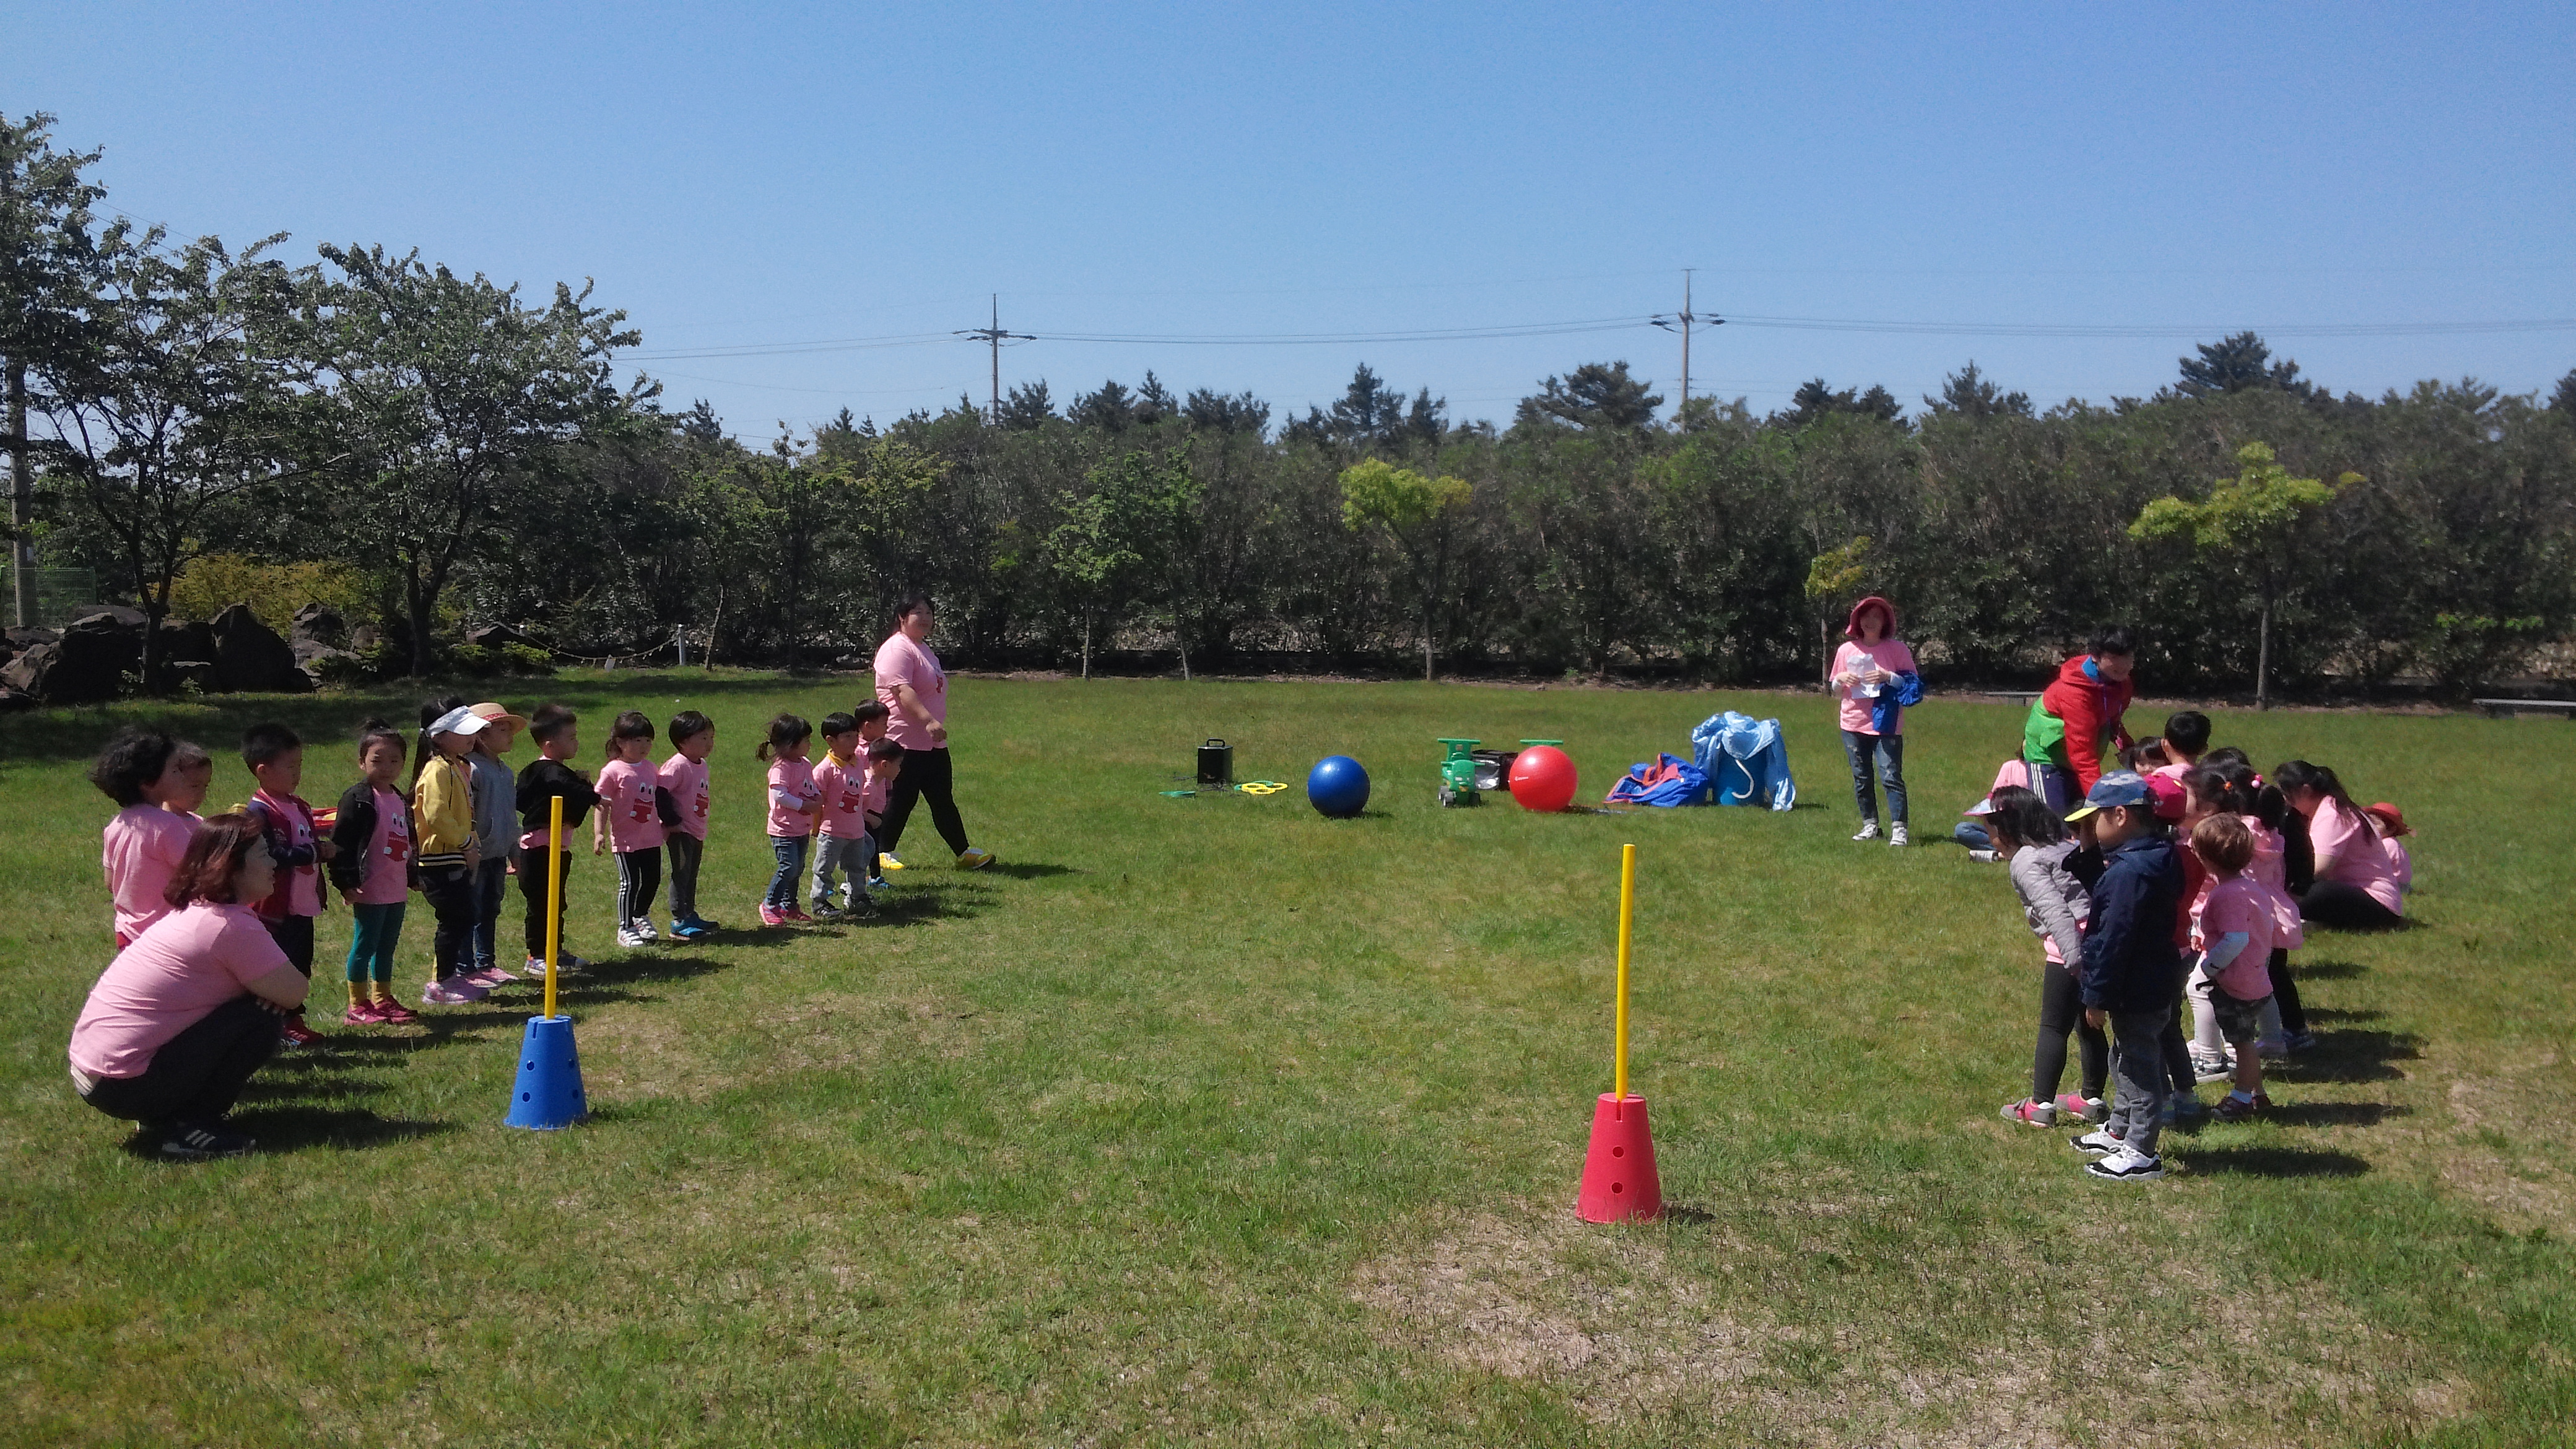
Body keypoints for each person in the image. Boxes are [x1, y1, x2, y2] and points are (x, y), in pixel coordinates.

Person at [67, 813, 310, 1159]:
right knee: (260, 1017)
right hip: (122, 1083)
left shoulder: (198, 911)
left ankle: (165, 1116)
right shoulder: (228, 925)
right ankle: (193, 1126)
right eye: (263, 854)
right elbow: (295, 992)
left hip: (97, 1075)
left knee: (252, 1007)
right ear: (233, 867)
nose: (273, 862)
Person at [2064, 772, 2185, 1182]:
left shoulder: (2129, 873)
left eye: (2095, 817)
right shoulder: (2154, 856)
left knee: (2139, 1066)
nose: (2090, 826)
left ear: (2119, 816)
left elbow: (2112, 939)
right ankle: (2121, 1131)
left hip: (2138, 983)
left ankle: (2142, 1151)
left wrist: (2095, 995)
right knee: (2125, 1056)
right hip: (2152, 978)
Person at [1983, 787, 2109, 1128]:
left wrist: (2074, 962)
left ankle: (2040, 1107)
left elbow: (2056, 912)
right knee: (2089, 1024)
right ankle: (2092, 1099)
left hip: (2070, 951)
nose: (1991, 840)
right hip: (2096, 940)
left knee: (2053, 1027)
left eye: (1991, 833)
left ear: (2007, 830)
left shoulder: (2026, 860)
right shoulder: (2061, 845)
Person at [872, 594, 996, 871]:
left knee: (942, 797)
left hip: (932, 742)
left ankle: (965, 854)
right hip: (903, 739)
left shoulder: (923, 649)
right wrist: (928, 720)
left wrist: (932, 727)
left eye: (929, 612)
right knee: (901, 797)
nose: (925, 618)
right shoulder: (896, 649)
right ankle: (881, 852)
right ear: (902, 618)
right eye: (918, 612)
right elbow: (902, 690)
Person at [240, 722, 334, 1046]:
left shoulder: (299, 805)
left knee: (299, 965)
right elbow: (272, 854)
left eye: (300, 766)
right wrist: (313, 852)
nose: (297, 773)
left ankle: (293, 1019)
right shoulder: (259, 812)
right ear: (263, 771)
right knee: (277, 967)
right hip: (275, 908)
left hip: (301, 905)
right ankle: (273, 1027)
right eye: (290, 766)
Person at [2186, 813, 2276, 1123]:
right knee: (2244, 1038)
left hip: (2237, 982)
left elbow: (2236, 939)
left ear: (2206, 857)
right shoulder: (2250, 888)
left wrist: (2209, 969)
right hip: (2256, 974)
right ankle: (2257, 1093)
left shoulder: (2226, 895)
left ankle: (2240, 1098)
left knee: (2242, 1042)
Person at [328, 721, 419, 1025]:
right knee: (365, 944)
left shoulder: (400, 800)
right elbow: (342, 843)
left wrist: (415, 875)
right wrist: (346, 883)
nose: (386, 767)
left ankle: (383, 997)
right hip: (370, 888)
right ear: (362, 762)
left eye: (394, 760)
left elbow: (410, 840)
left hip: (396, 888)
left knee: (387, 946)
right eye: (377, 760)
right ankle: (358, 1004)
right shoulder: (358, 799)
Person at [93, 728, 211, 949]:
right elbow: (202, 873)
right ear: (148, 781)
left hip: (127, 933)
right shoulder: (168, 826)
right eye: (175, 770)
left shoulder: (116, 825)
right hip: (165, 936)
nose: (182, 776)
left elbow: (111, 883)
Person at [411, 707, 490, 1004]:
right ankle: (440, 984)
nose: (472, 737)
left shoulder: (456, 766)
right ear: (440, 736)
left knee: (463, 916)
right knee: (454, 918)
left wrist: (470, 844)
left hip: (456, 854)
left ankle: (450, 978)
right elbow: (435, 814)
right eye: (463, 731)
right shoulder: (437, 769)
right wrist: (466, 841)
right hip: (439, 859)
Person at [1829, 595, 1919, 846]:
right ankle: (1870, 824)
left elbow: (1912, 685)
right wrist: (1841, 679)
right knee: (1862, 777)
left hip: (1886, 724)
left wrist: (1888, 676)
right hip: (1852, 723)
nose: (1870, 622)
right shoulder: (1846, 651)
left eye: (1877, 617)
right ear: (1857, 621)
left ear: (1885, 622)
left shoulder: (1897, 650)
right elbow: (1834, 688)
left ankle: (1899, 829)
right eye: (1866, 617)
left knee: (1890, 776)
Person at [515, 703, 598, 974]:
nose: (577, 743)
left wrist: (584, 788)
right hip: (540, 850)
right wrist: (593, 796)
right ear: (549, 745)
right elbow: (560, 786)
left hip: (557, 849)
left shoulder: (555, 772)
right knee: (541, 905)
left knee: (556, 904)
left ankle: (555, 950)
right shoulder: (548, 771)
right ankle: (536, 955)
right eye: (571, 738)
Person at [2276, 761, 2405, 931]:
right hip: (2351, 892)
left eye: (2287, 794)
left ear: (2306, 791)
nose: (2285, 801)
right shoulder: (2324, 810)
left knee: (2314, 892)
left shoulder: (2334, 813)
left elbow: (2317, 870)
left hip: (2378, 903)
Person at [2023, 627, 2137, 813]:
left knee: (2083, 823)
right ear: (2095, 656)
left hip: (2082, 755)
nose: (2124, 665)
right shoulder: (2075, 693)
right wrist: (2101, 801)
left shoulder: (2123, 683)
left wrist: (2130, 749)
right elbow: (2082, 753)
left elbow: (2113, 719)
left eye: (2128, 657)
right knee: (2052, 829)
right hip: (2046, 757)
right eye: (2114, 658)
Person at [463, 702, 530, 986]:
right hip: (476, 854)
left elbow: (510, 815)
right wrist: (472, 846)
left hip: (498, 853)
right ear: (481, 736)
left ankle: (486, 963)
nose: (510, 736)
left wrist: (514, 851)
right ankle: (465, 967)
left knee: (491, 907)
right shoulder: (472, 770)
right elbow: (468, 813)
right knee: (471, 909)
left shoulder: (505, 771)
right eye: (502, 730)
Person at [594, 710, 666, 949]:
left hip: (651, 837)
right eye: (637, 741)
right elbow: (602, 804)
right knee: (630, 882)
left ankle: (640, 915)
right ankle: (625, 927)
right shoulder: (613, 771)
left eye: (648, 741)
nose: (644, 746)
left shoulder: (650, 768)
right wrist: (599, 833)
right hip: (626, 841)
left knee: (653, 879)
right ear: (620, 743)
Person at [659, 710, 718, 939]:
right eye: (703, 738)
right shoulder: (678, 766)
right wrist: (671, 821)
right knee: (681, 873)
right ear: (683, 741)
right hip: (681, 831)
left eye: (711, 738)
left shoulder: (700, 764)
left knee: (692, 873)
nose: (709, 743)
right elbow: (660, 791)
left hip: (696, 830)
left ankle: (690, 912)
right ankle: (679, 920)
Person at [759, 713, 820, 925]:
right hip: (783, 828)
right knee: (789, 866)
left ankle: (789, 905)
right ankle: (770, 904)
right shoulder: (781, 768)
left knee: (798, 867)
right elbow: (779, 795)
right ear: (789, 744)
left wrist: (816, 797)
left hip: (801, 827)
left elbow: (809, 786)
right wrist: (805, 806)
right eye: (806, 741)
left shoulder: (804, 764)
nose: (809, 745)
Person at [809, 712, 871, 918]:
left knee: (857, 867)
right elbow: (818, 803)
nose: (855, 742)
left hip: (855, 830)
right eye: (848, 737)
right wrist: (816, 828)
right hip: (832, 830)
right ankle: (820, 901)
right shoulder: (825, 770)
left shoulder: (857, 762)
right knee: (824, 868)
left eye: (856, 736)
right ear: (831, 741)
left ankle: (857, 898)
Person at [1952, 758, 2032, 859]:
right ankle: (2008, 852)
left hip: (2028, 825)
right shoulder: (2010, 766)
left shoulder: (2044, 769)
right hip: (2005, 822)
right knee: (1963, 829)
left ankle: (2004, 854)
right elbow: (1994, 798)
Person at [861, 736, 903, 892]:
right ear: (884, 765)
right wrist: (871, 818)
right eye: (898, 765)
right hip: (866, 822)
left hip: (875, 819)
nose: (900, 769)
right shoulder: (868, 784)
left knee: (873, 850)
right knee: (864, 852)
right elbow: (855, 809)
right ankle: (853, 884)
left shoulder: (878, 780)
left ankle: (875, 878)